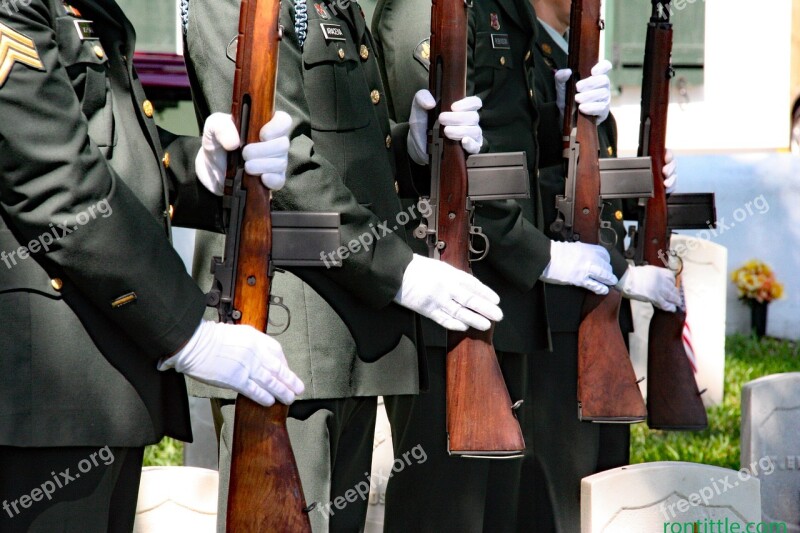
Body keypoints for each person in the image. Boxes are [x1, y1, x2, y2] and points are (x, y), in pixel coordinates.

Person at [184, 0, 502, 530]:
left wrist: (413, 148)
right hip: (289, 328)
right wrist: (397, 269)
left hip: (349, 327)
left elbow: (352, 151)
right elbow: (282, 165)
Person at [372, 0, 681, 530]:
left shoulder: (504, 10)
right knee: (446, 511)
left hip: (509, 306)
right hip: (450, 298)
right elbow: (435, 166)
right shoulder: (427, 9)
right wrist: (540, 254)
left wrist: (564, 118)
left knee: (500, 514)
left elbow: (512, 151)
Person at [0, 1, 304, 531]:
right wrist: (188, 332)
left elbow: (105, 147)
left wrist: (198, 169)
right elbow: (57, 183)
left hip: (103, 370)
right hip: (46, 393)